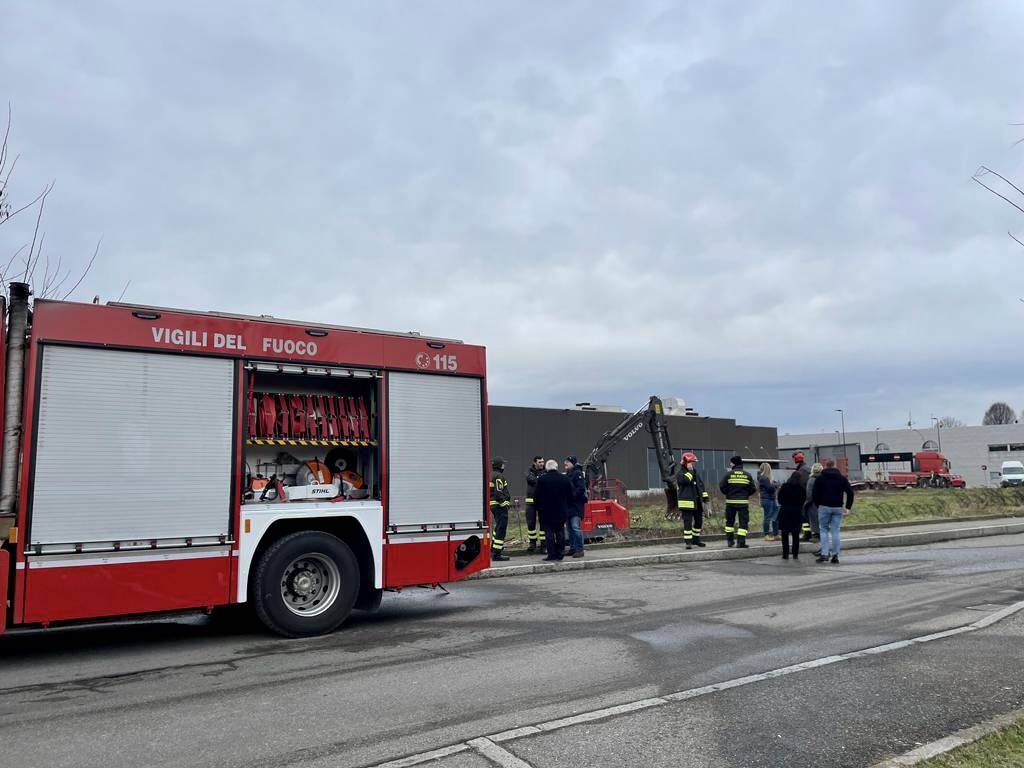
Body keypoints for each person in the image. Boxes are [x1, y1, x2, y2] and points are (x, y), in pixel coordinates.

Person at [812, 458, 854, 564]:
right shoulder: (841, 478)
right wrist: (848, 507)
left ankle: (825, 554)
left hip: (824, 506)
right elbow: (850, 493)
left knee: (823, 530)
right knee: (835, 531)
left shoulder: (820, 478)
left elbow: (814, 494)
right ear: (835, 465)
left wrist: (818, 505)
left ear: (825, 466)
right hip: (838, 507)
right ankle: (835, 555)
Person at [533, 459, 573, 560]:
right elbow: (571, 495)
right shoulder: (564, 479)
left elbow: (536, 496)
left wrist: (538, 509)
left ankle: (551, 554)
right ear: (556, 467)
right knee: (560, 531)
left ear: (546, 468)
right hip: (561, 511)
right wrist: (566, 507)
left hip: (546, 512)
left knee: (549, 533)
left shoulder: (542, 480)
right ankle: (560, 553)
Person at [719, 455, 757, 547]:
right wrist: (746, 495)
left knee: (729, 523)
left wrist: (728, 494)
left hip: (730, 503)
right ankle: (741, 542)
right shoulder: (747, 475)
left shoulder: (729, 474)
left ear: (734, 464)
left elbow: (722, 486)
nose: (730, 464)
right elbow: (753, 488)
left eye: (731, 463)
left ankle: (730, 541)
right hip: (743, 503)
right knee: (743, 523)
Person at [675, 451, 709, 549]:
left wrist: (705, 497)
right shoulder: (680, 473)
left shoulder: (695, 471)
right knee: (688, 523)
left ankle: (696, 539)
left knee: (699, 521)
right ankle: (688, 542)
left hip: (697, 502)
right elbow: (685, 481)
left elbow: (700, 485)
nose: (693, 464)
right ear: (687, 462)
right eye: (692, 462)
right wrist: (690, 471)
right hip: (687, 503)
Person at [776, 473, 806, 560]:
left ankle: (785, 554)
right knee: (795, 534)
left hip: (785, 512)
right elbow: (803, 500)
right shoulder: (801, 489)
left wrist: (785, 504)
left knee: (784, 534)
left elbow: (779, 499)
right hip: (796, 513)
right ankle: (795, 554)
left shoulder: (784, 487)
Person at [488, 457, 512, 561]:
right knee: (501, 528)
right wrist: (504, 503)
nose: (504, 466)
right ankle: (497, 554)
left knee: (498, 526)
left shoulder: (491, 474)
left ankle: (493, 548)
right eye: (503, 464)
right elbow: (499, 492)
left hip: (494, 504)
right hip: (499, 505)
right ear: (499, 465)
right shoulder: (498, 476)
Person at [564, 456, 587, 558]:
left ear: (572, 463)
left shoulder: (577, 474)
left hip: (576, 506)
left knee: (575, 527)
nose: (565, 465)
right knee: (569, 528)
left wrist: (571, 496)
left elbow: (581, 488)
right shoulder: (569, 474)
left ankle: (579, 549)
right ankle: (573, 548)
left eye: (567, 463)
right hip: (569, 506)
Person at [524, 456, 546, 554]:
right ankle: (532, 543)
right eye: (540, 462)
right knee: (531, 523)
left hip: (542, 501)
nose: (542, 464)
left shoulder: (546, 471)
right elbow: (532, 480)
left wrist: (539, 480)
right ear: (534, 462)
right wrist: (540, 480)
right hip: (531, 502)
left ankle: (544, 545)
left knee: (544, 524)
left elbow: (540, 482)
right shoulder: (529, 471)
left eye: (543, 462)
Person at [758, 463, 779, 541]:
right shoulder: (764, 478)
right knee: (767, 517)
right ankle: (766, 535)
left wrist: (774, 484)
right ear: (768, 469)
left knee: (775, 517)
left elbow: (772, 486)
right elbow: (770, 489)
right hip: (767, 499)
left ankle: (776, 534)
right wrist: (776, 485)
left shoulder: (768, 478)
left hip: (772, 499)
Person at [804, 462, 824, 543]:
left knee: (814, 520)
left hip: (813, 504)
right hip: (823, 503)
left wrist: (806, 504)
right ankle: (821, 535)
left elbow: (809, 494)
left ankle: (816, 535)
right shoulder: (824, 479)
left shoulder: (811, 479)